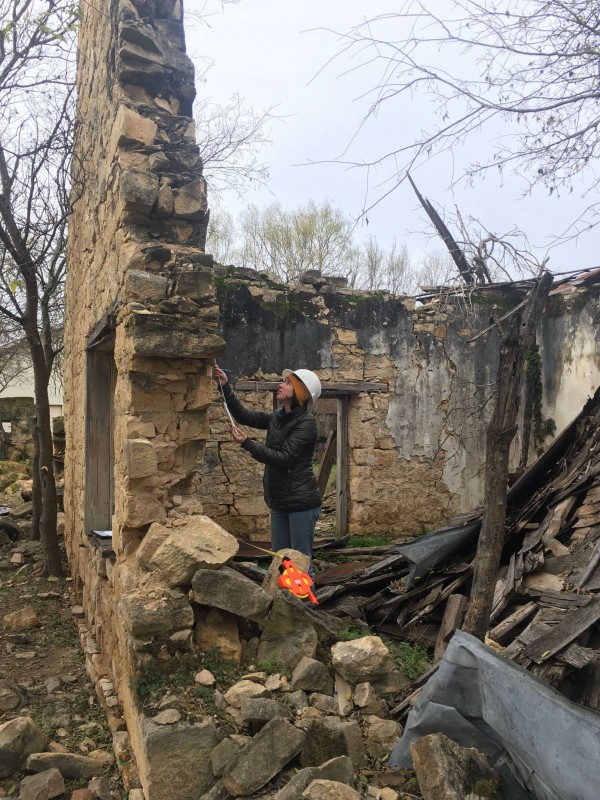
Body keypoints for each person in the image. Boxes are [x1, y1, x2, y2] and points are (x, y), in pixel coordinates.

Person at [213, 364, 322, 569]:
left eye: (289, 383)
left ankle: (304, 601)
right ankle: (282, 600)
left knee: (299, 563)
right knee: (280, 563)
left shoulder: (306, 424)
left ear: (301, 393)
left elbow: (284, 458)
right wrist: (225, 387)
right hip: (279, 502)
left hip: (301, 505)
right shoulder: (277, 417)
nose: (282, 385)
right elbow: (244, 416)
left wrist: (247, 443)